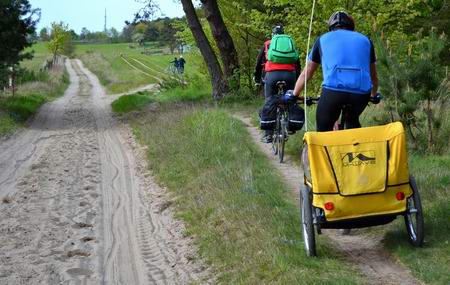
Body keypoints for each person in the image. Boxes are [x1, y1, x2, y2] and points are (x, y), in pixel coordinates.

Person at [283, 11, 379, 131]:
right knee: (352, 121)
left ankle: (325, 146)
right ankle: (355, 145)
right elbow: (374, 75)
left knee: (324, 128)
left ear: (331, 27)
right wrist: (374, 95)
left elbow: (307, 72)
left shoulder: (323, 39)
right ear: (351, 25)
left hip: (333, 91)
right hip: (361, 93)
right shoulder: (366, 41)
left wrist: (294, 94)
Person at [255, 25, 301, 143]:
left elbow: (258, 64)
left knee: (269, 100)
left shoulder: (267, 44)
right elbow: (297, 63)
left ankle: (268, 135)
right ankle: (290, 125)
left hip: (272, 75)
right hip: (290, 74)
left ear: (273, 34)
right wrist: (297, 79)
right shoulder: (290, 43)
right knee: (291, 98)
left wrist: (257, 79)